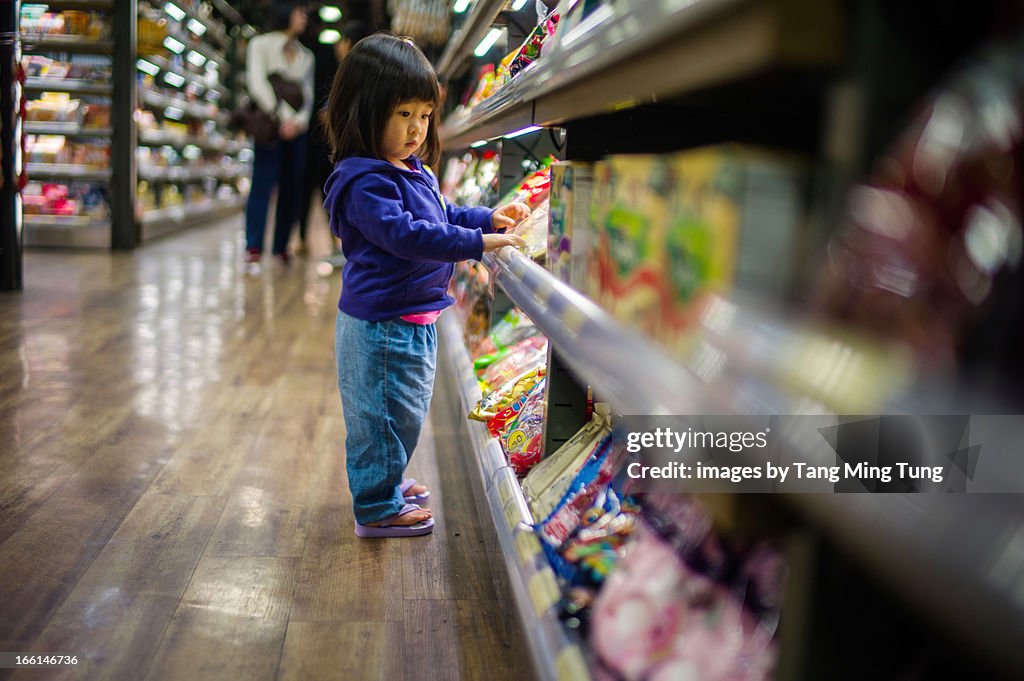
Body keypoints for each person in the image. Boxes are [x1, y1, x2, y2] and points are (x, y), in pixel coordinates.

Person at [323, 34, 529, 537]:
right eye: (403, 115)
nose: (417, 130)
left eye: (424, 115)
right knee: (380, 420)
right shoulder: (364, 181)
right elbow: (407, 235)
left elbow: (441, 214)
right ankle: (375, 508)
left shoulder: (410, 169)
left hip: (411, 317)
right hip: (381, 326)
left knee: (403, 412)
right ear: (363, 112)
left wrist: (487, 217)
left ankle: (387, 482)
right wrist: (475, 243)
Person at [243, 2, 314, 269]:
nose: (304, 18)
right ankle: (254, 246)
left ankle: (282, 245)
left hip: (296, 131)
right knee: (261, 184)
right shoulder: (260, 45)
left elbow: (307, 94)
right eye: (300, 12)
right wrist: (284, 117)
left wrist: (298, 122)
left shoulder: (306, 55)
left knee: (291, 189)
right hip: (270, 127)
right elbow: (257, 84)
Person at [296, 20, 372, 258]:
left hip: (345, 150)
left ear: (348, 44)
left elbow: (331, 112)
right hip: (353, 152)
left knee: (336, 197)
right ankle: (341, 247)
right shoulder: (368, 74)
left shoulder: (351, 73)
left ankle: (342, 248)